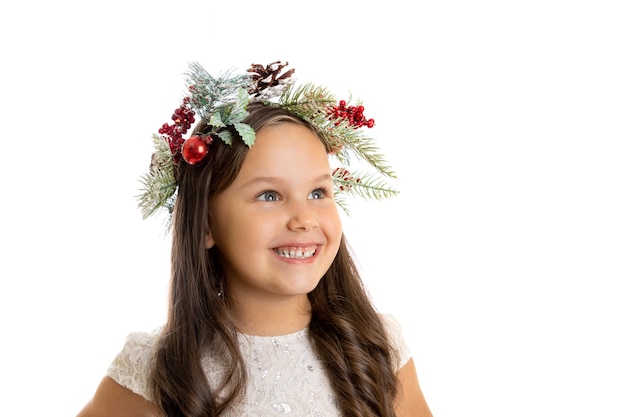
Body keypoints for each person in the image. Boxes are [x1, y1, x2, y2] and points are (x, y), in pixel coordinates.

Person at [76, 61, 432, 417]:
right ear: (205, 225)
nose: (304, 219)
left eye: (318, 192)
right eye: (269, 196)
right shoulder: (157, 371)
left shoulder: (376, 347)